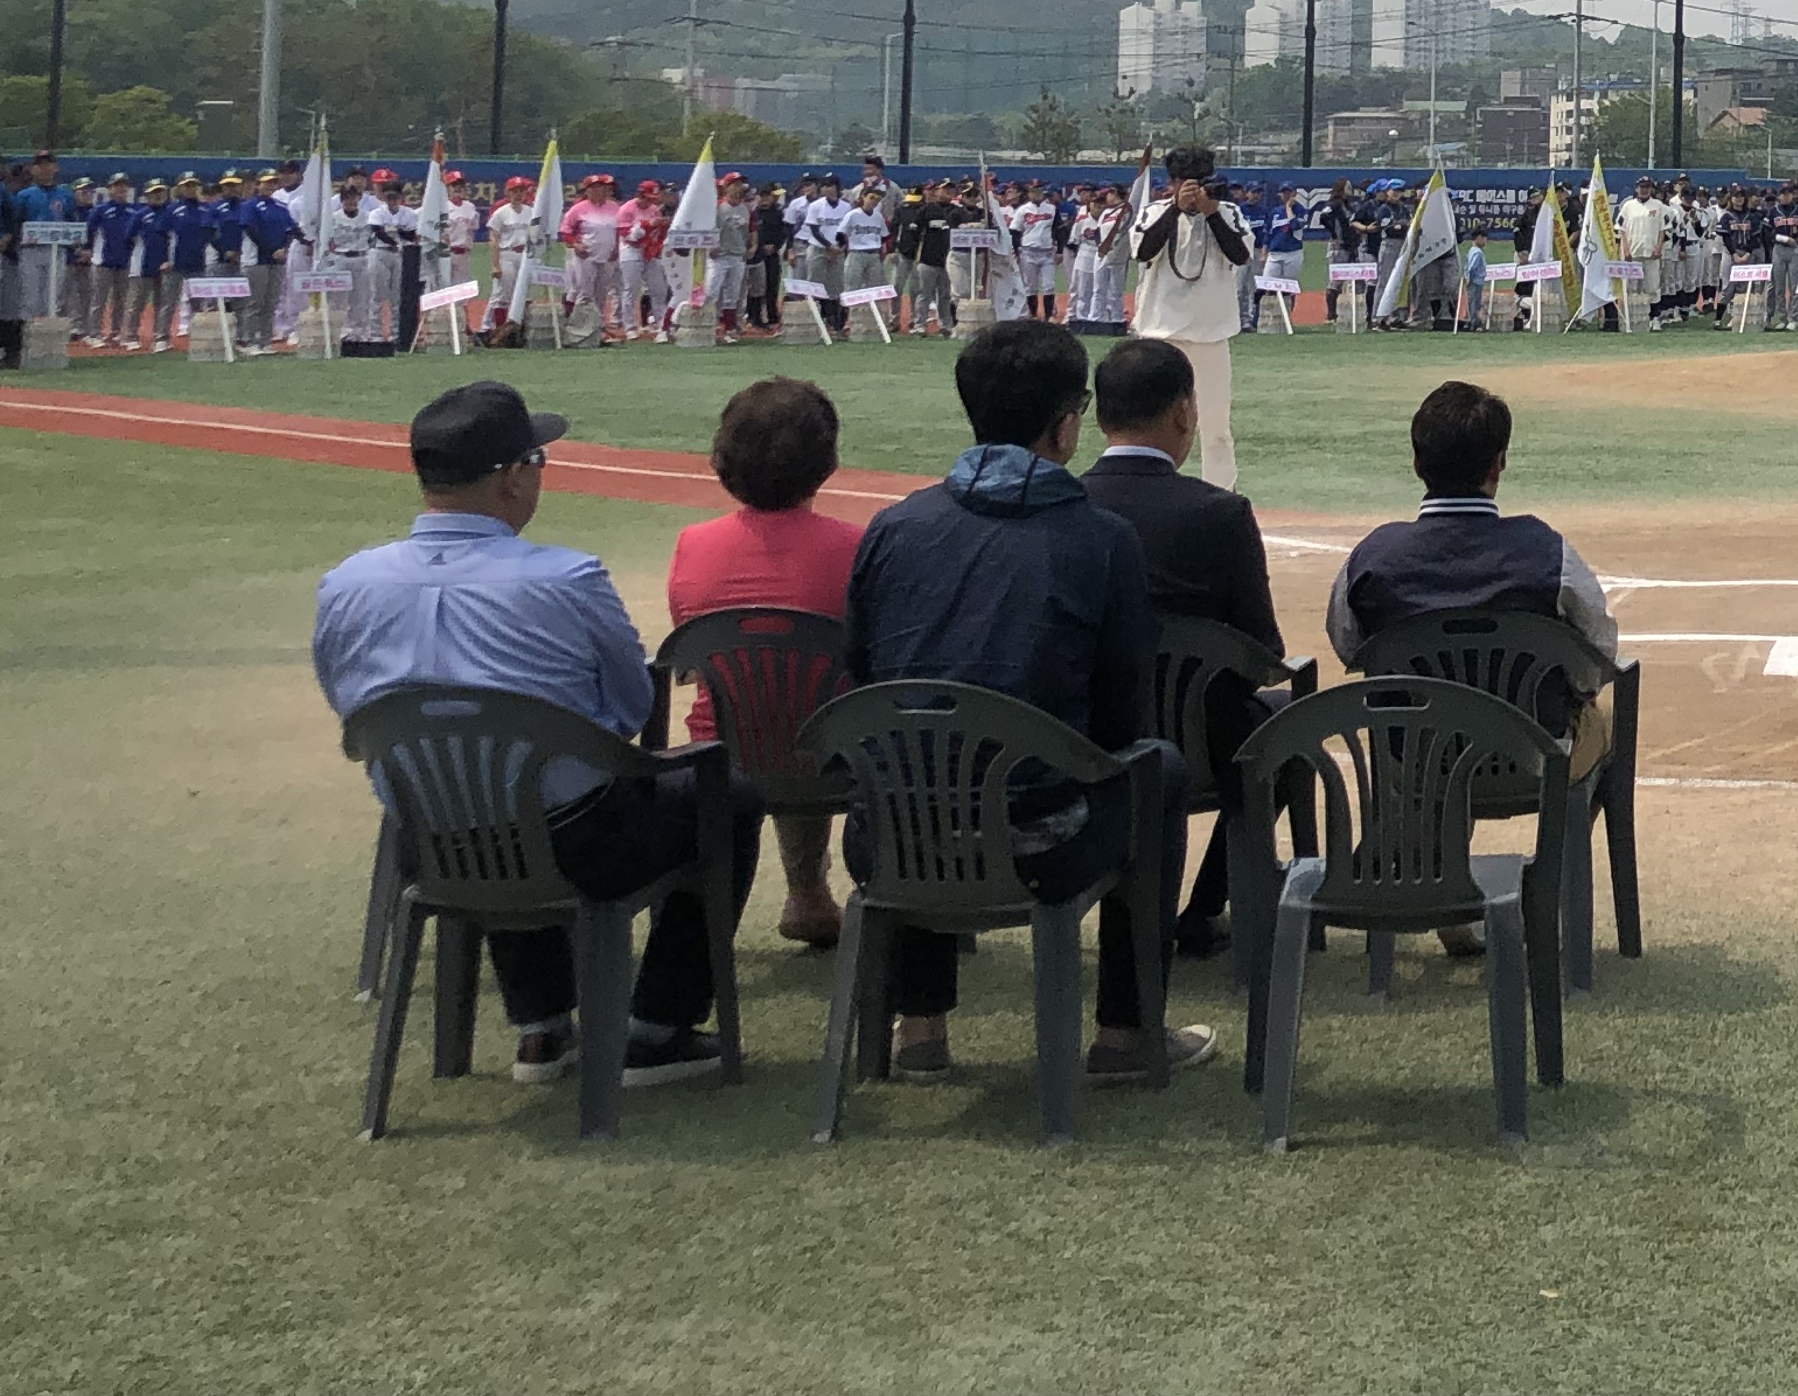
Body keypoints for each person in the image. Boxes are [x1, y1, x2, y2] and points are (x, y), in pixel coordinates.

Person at [312, 380, 760, 1088]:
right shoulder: (566, 578)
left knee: (493, 794)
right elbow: (629, 703)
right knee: (719, 795)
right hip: (574, 841)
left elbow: (351, 705)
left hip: (427, 841)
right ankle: (658, 1026)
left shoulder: (345, 583)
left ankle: (542, 1027)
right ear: (513, 477)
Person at [843, 320, 1206, 1081]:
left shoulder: (891, 528)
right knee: (1158, 768)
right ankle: (1124, 1033)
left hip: (891, 838)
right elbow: (1120, 720)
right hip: (1042, 842)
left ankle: (920, 1029)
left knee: (921, 755)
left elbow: (863, 681)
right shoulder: (1099, 539)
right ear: (1067, 423)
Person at [1328, 379, 1623, 950]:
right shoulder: (1546, 548)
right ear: (1500, 463)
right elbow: (1597, 656)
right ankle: (1542, 892)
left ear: (1417, 464)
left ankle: (1445, 889)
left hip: (1414, 758)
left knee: (1429, 732)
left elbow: (1349, 647)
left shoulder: (1371, 557)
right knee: (1602, 733)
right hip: (1530, 756)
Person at [1085, 335, 1283, 955]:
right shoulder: (1219, 513)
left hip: (1087, 739)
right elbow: (1261, 651)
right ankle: (1203, 908)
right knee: (1285, 734)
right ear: (1184, 412)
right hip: (1206, 742)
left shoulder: (1065, 508)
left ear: (1098, 416)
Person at [662, 375, 863, 948]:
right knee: (816, 705)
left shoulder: (692, 546)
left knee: (769, 704)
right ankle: (809, 893)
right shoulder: (859, 544)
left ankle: (804, 894)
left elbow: (698, 661)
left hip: (723, 751)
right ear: (826, 462)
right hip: (839, 751)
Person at [1126, 143, 1255, 492]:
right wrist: (1174, 209)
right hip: (1160, 332)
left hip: (1211, 334)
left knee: (1215, 427)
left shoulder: (1227, 212)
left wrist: (1211, 213)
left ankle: (1221, 492)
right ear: (1172, 182)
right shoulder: (1153, 212)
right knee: (1150, 421)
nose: (1195, 189)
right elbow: (1143, 251)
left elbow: (1241, 255)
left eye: (1202, 181)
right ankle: (1149, 490)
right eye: (1187, 182)